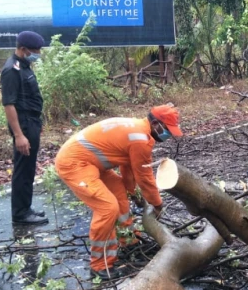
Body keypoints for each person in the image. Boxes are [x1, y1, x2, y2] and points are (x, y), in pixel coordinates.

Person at [54, 104, 183, 279]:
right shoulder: (140, 139)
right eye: (167, 129)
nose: (168, 135)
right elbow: (144, 177)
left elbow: (128, 167)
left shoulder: (140, 131)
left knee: (119, 195)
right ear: (155, 123)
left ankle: (128, 241)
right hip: (75, 164)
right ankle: (99, 265)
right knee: (108, 208)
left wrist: (132, 193)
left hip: (92, 163)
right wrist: (157, 204)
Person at [1, 31, 48, 225]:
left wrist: (38, 122)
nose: (38, 54)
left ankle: (25, 208)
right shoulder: (11, 70)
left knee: (28, 169)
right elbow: (9, 104)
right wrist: (19, 135)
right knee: (23, 169)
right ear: (23, 49)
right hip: (23, 124)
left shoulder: (24, 66)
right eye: (35, 51)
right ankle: (20, 214)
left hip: (31, 122)